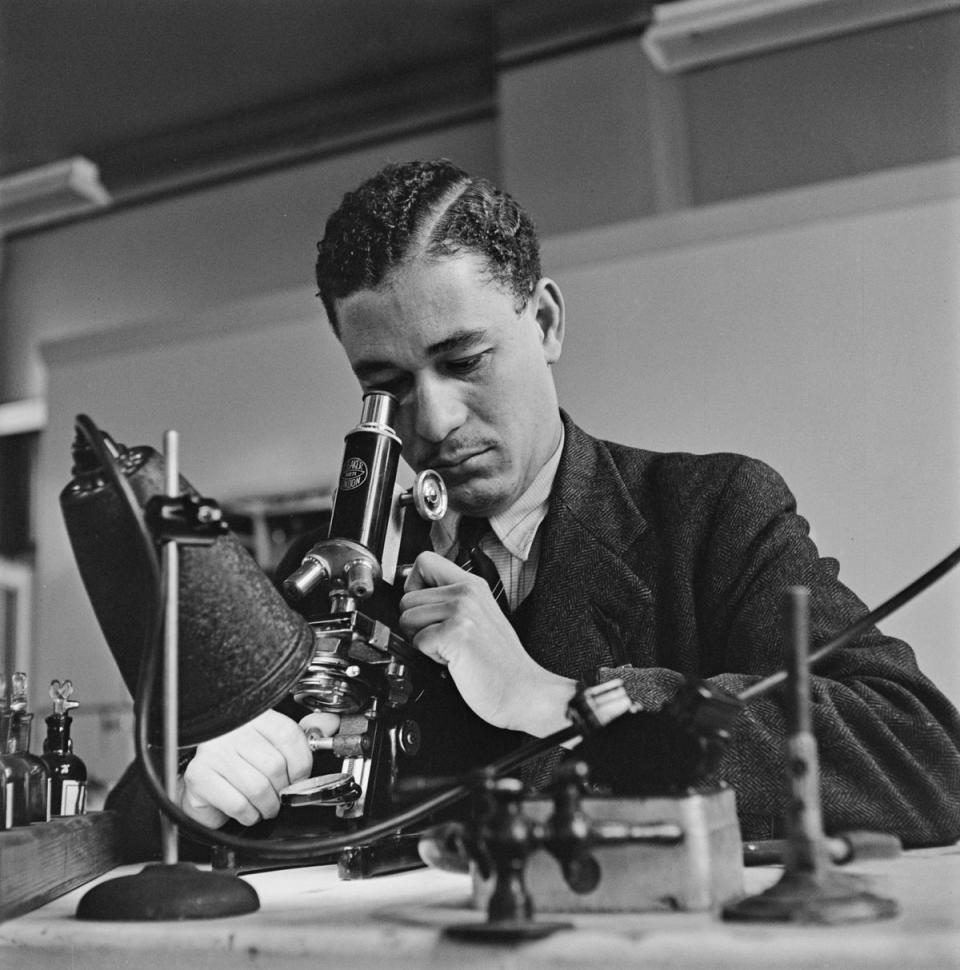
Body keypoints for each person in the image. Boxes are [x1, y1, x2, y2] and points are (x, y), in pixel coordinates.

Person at [128, 158, 960, 848]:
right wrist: (199, 783)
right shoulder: (331, 567)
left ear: (548, 321)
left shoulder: (713, 514)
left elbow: (919, 756)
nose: (436, 422)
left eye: (465, 360)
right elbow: (132, 816)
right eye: (385, 387)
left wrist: (557, 697)